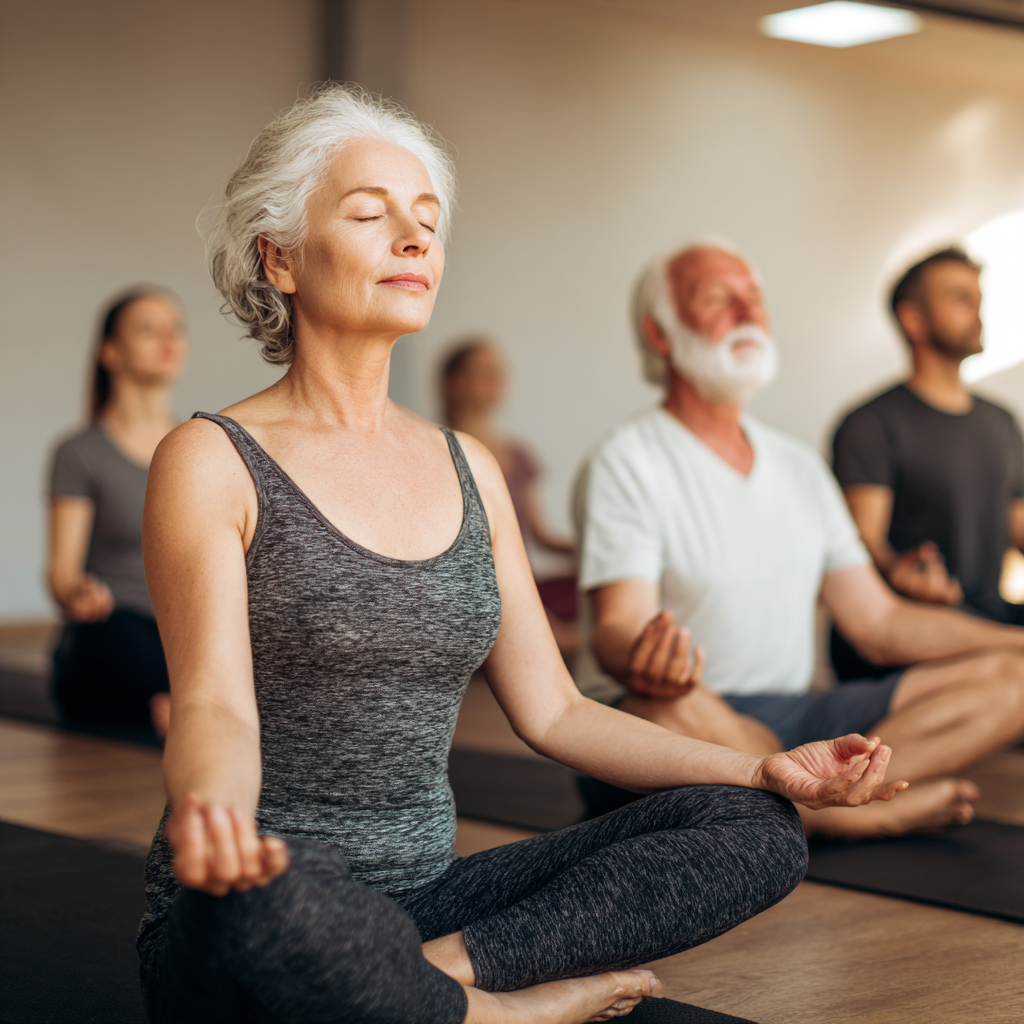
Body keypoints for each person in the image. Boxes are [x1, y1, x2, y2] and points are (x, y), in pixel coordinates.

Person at [137, 85, 903, 1024]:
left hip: (431, 904)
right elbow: (214, 704)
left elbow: (556, 710)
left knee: (758, 831)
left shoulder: (470, 468)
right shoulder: (211, 461)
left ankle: (434, 981)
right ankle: (510, 1012)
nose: (414, 240)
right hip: (268, 899)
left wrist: (761, 769)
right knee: (280, 918)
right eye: (371, 216)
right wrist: (213, 812)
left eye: (427, 221)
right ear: (281, 258)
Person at [575, 243, 1024, 841]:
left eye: (754, 300)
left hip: (799, 713)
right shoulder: (627, 460)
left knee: (1013, 676)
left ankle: (798, 809)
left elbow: (881, 622)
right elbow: (618, 627)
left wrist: (1015, 641)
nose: (746, 312)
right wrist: (643, 658)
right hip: (688, 712)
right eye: (717, 298)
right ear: (661, 334)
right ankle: (852, 814)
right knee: (660, 709)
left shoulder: (798, 466)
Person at [830, 247, 1024, 680]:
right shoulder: (871, 424)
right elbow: (862, 544)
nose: (977, 314)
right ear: (913, 319)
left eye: (978, 300)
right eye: (960, 299)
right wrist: (900, 570)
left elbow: (1018, 524)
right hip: (912, 630)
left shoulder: (1001, 422)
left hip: (988, 617)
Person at [47, 288, 187, 737]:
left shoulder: (201, 448)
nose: (169, 339)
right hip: (111, 635)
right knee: (110, 631)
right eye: (148, 330)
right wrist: (77, 595)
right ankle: (187, 706)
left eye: (176, 328)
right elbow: (61, 573)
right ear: (110, 352)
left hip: (182, 636)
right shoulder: (80, 453)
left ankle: (177, 703)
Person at [442, 337, 579, 659]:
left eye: (499, 373)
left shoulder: (518, 455)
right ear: (455, 383)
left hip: (521, 584)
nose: (496, 381)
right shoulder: (432, 452)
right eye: (484, 373)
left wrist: (597, 551)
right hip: (469, 589)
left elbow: (540, 536)